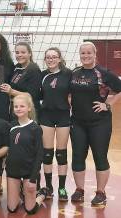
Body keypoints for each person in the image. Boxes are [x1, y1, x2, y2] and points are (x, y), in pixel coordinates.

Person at [70, 42, 121, 205]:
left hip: (99, 123)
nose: (85, 56)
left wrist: (107, 104)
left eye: (88, 53)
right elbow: (68, 91)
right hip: (77, 122)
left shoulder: (103, 73)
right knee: (78, 157)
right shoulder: (74, 73)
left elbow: (119, 89)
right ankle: (79, 190)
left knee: (100, 157)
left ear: (94, 53)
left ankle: (101, 192)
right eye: (83, 53)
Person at [40, 47, 72, 201]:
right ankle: (48, 186)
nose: (51, 59)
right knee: (47, 153)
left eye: (54, 57)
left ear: (59, 59)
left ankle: (62, 187)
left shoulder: (68, 74)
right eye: (48, 57)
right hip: (46, 116)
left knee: (61, 153)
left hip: (63, 116)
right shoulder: (42, 75)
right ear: (45, 59)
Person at [6, 94, 46, 215]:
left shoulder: (35, 128)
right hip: (13, 171)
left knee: (30, 210)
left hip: (29, 171)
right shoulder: (11, 126)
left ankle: (41, 194)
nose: (18, 108)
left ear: (29, 108)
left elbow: (39, 154)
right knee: (12, 209)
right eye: (16, 106)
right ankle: (21, 192)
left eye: (22, 106)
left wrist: (33, 179)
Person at [0, 41, 42, 120]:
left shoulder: (34, 70)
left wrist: (11, 91)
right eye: (17, 52)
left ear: (29, 54)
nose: (20, 55)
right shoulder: (16, 68)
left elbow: (32, 95)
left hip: (29, 112)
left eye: (23, 52)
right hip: (16, 109)